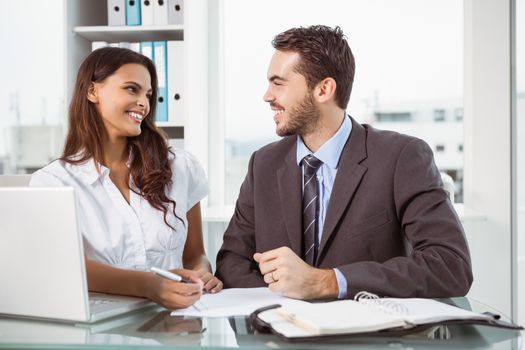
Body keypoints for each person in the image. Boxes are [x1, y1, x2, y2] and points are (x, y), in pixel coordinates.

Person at [215, 25, 472, 300]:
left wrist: (328, 282)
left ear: (324, 89)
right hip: (279, 337)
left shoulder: (402, 157)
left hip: (369, 338)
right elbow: (231, 263)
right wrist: (289, 300)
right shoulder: (263, 164)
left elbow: (450, 265)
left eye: (278, 83)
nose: (267, 95)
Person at [30, 47, 222, 309]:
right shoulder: (53, 183)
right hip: (100, 329)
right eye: (132, 89)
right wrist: (147, 285)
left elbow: (195, 254)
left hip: (177, 321)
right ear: (92, 92)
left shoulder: (180, 167)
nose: (144, 103)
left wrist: (201, 274)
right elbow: (68, 268)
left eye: (149, 94)